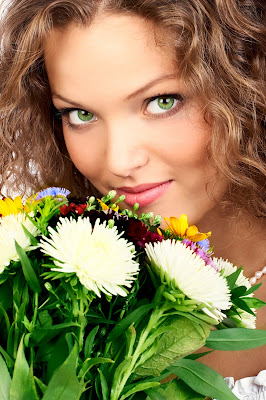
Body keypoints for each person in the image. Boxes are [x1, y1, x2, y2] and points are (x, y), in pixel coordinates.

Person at [0, 0, 265, 392]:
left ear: (247, 91)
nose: (119, 161)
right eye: (80, 115)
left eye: (162, 102)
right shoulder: (58, 298)